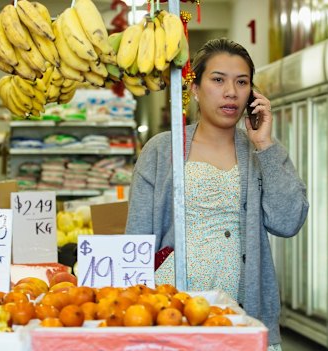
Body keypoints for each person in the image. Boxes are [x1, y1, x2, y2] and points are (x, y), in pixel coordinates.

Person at [125, 38, 309, 350]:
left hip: (241, 315)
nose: (231, 92)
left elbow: (289, 221)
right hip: (172, 310)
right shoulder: (162, 150)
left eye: (242, 82)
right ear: (194, 88)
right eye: (218, 80)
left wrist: (265, 144)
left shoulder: (259, 152)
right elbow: (136, 240)